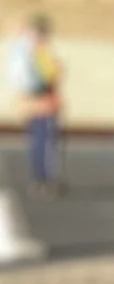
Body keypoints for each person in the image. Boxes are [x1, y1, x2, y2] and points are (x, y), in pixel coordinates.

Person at [5, 14, 62, 194]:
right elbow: (51, 76)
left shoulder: (22, 50)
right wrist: (58, 67)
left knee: (36, 143)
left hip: (30, 104)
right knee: (45, 144)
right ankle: (45, 181)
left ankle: (38, 180)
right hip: (45, 104)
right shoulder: (40, 51)